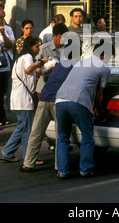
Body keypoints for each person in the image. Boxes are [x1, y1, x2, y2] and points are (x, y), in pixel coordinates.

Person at [20, 43, 80, 172]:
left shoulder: (57, 65)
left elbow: (42, 73)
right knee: (61, 136)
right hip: (57, 101)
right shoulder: (76, 67)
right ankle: (59, 166)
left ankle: (28, 163)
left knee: (36, 132)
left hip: (44, 97)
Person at [55, 43, 111, 178]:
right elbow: (100, 94)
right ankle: (85, 170)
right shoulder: (104, 68)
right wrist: (99, 109)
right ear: (105, 55)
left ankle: (62, 172)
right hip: (79, 102)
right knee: (87, 138)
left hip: (60, 100)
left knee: (62, 137)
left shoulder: (80, 63)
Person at [0, 36, 42, 163]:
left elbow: (30, 74)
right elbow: (29, 69)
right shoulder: (28, 57)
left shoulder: (21, 58)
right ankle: (28, 158)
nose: (38, 48)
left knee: (22, 127)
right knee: (27, 130)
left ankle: (8, 152)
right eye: (37, 46)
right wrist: (40, 63)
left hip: (20, 98)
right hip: (23, 99)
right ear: (30, 47)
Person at [0, 4, 15, 126]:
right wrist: (1, 48)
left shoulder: (5, 30)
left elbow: (10, 45)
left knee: (2, 92)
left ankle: (1, 116)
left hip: (4, 64)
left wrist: (3, 34)